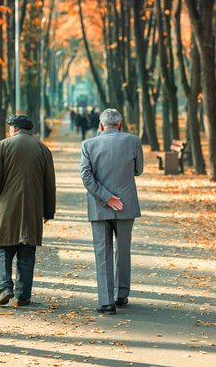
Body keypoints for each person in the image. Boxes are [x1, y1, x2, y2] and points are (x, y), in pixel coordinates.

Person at [0, 114, 56, 306]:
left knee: (2, 248)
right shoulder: (43, 150)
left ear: (14, 129)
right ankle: (24, 295)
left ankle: (5, 287)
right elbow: (50, 183)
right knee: (27, 250)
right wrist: (48, 210)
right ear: (29, 130)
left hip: (7, 207)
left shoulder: (1, 147)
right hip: (33, 208)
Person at [79, 108, 143, 315]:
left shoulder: (88, 144)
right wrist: (116, 196)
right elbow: (138, 170)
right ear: (120, 125)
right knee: (123, 250)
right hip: (126, 204)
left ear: (101, 126)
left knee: (102, 252)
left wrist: (107, 198)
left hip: (99, 205)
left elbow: (86, 177)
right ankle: (122, 294)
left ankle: (106, 302)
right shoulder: (133, 141)